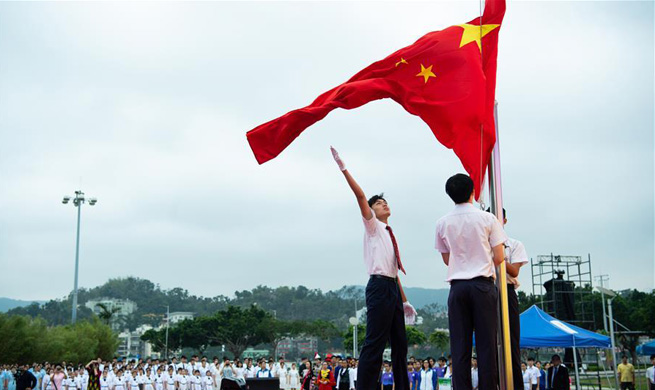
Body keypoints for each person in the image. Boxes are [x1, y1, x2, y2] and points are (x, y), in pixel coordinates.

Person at [331, 146, 416, 390]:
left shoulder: (389, 232)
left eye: (385, 202)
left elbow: (394, 270)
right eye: (379, 203)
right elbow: (360, 197)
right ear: (372, 211)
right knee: (375, 343)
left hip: (391, 287)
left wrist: (405, 300)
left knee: (400, 344)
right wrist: (344, 169)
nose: (384, 204)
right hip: (378, 286)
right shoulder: (373, 226)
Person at [435, 173, 506, 390]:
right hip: (482, 285)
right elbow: (500, 256)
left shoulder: (442, 223)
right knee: (486, 347)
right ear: (473, 191)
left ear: (450, 195)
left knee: (460, 348)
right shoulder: (488, 218)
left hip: (457, 287)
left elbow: (447, 259)